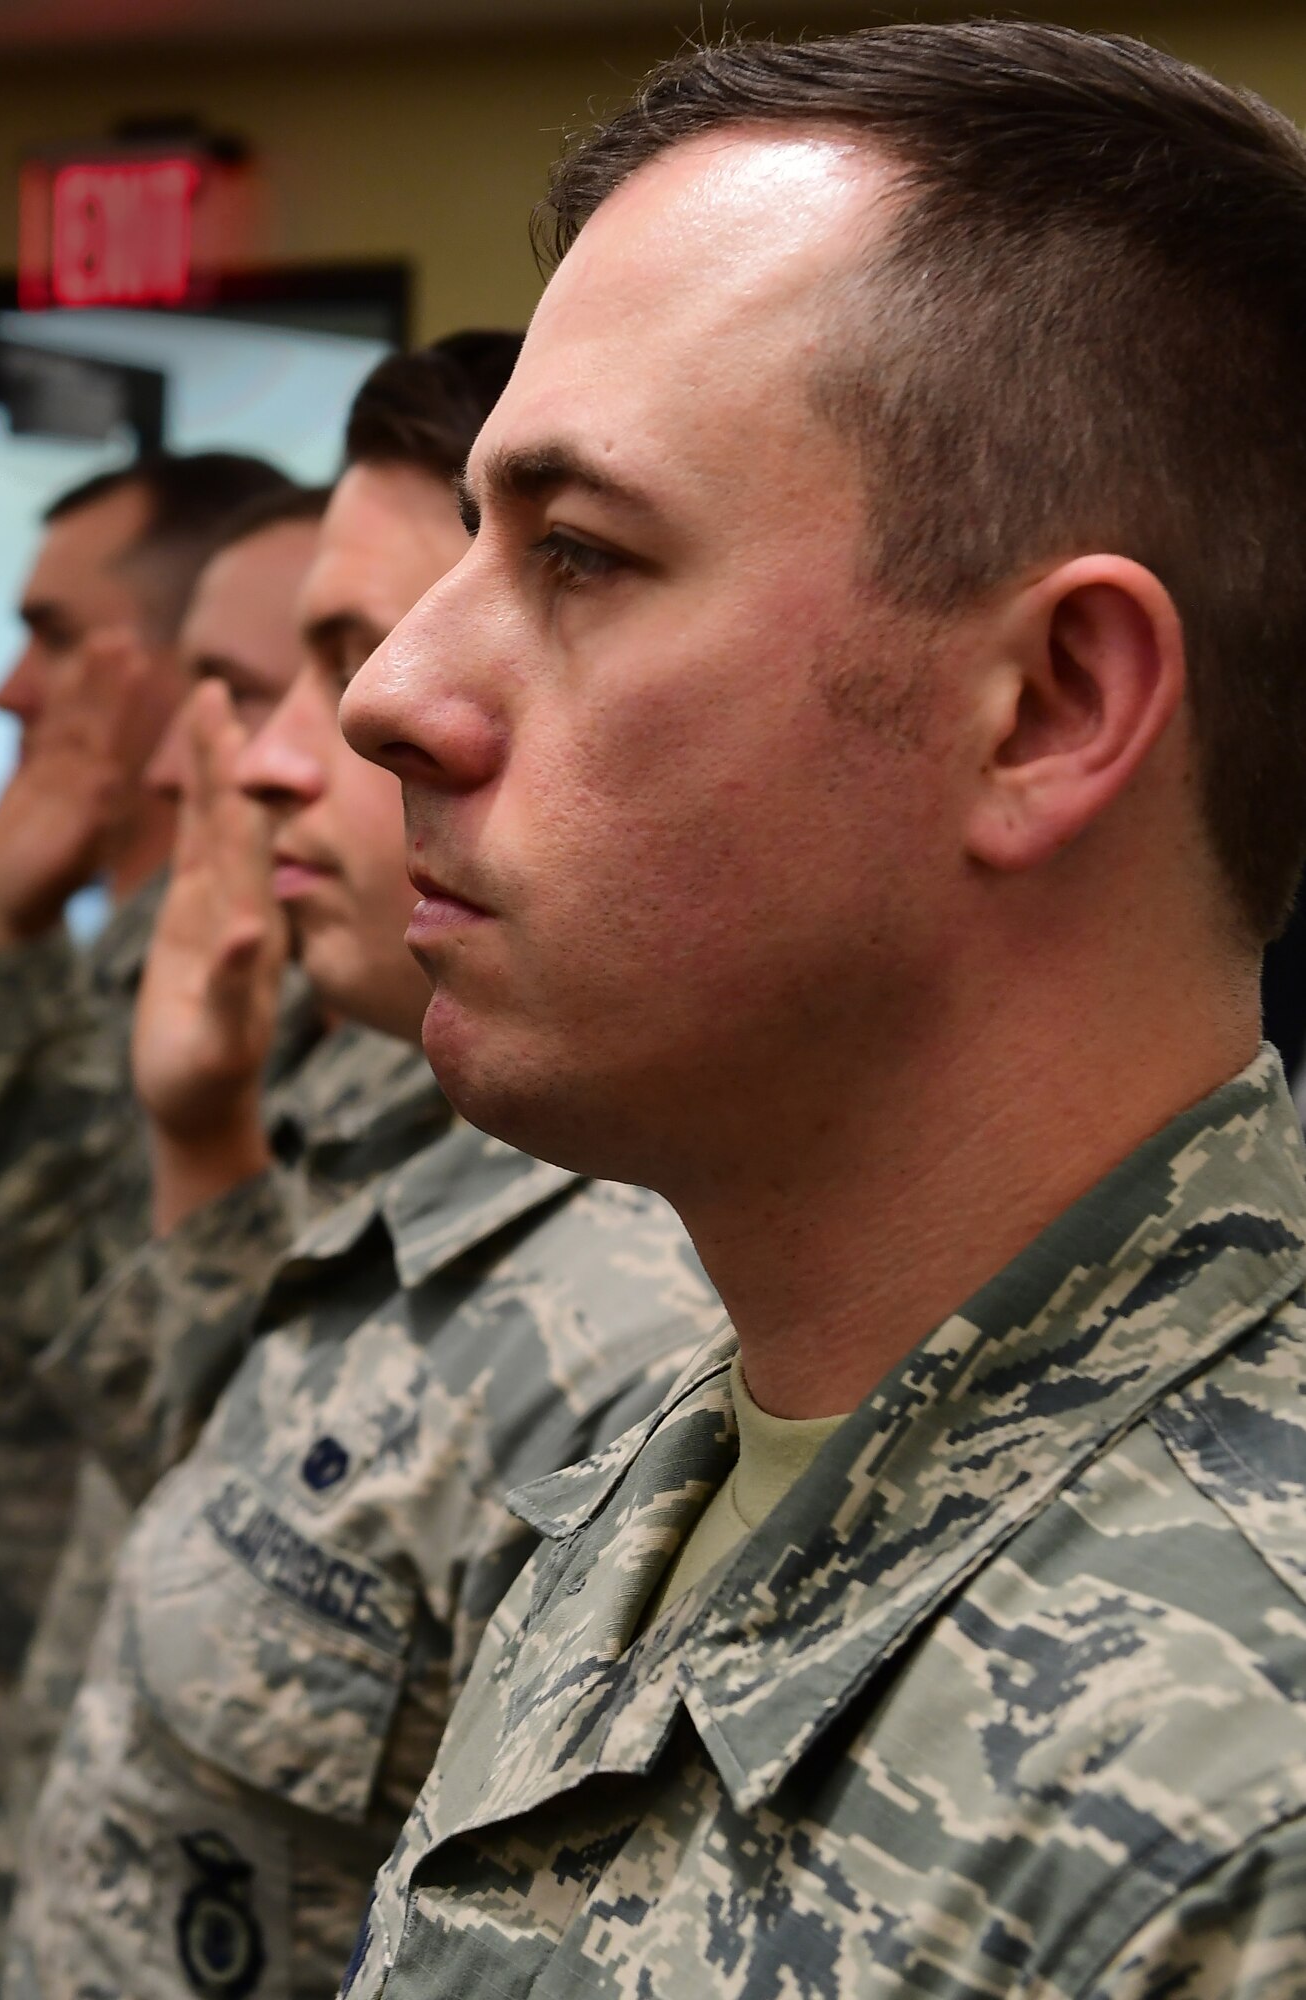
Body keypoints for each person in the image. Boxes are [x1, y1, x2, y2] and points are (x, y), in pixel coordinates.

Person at [338, 24, 1306, 1999]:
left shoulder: (1239, 1801)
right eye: (472, 544)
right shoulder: (670, 1476)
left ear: (1041, 709)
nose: (391, 696)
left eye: (579, 555)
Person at [0, 334, 726, 2000]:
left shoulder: (647, 1304)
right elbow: (201, 1529)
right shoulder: (386, 1119)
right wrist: (201, 1141)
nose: (268, 758)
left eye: (344, 659)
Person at [0, 452, 290, 1957]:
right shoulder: (121, 954)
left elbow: (84, 1326)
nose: (11, 691)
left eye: (52, 634)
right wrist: (10, 933)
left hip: (81, 1768)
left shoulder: (260, 987)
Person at [0, 479, 347, 1998]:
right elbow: (28, 1311)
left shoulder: (324, 1022)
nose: (13, 689)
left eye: (60, 636)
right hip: (37, 1749)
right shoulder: (202, 984)